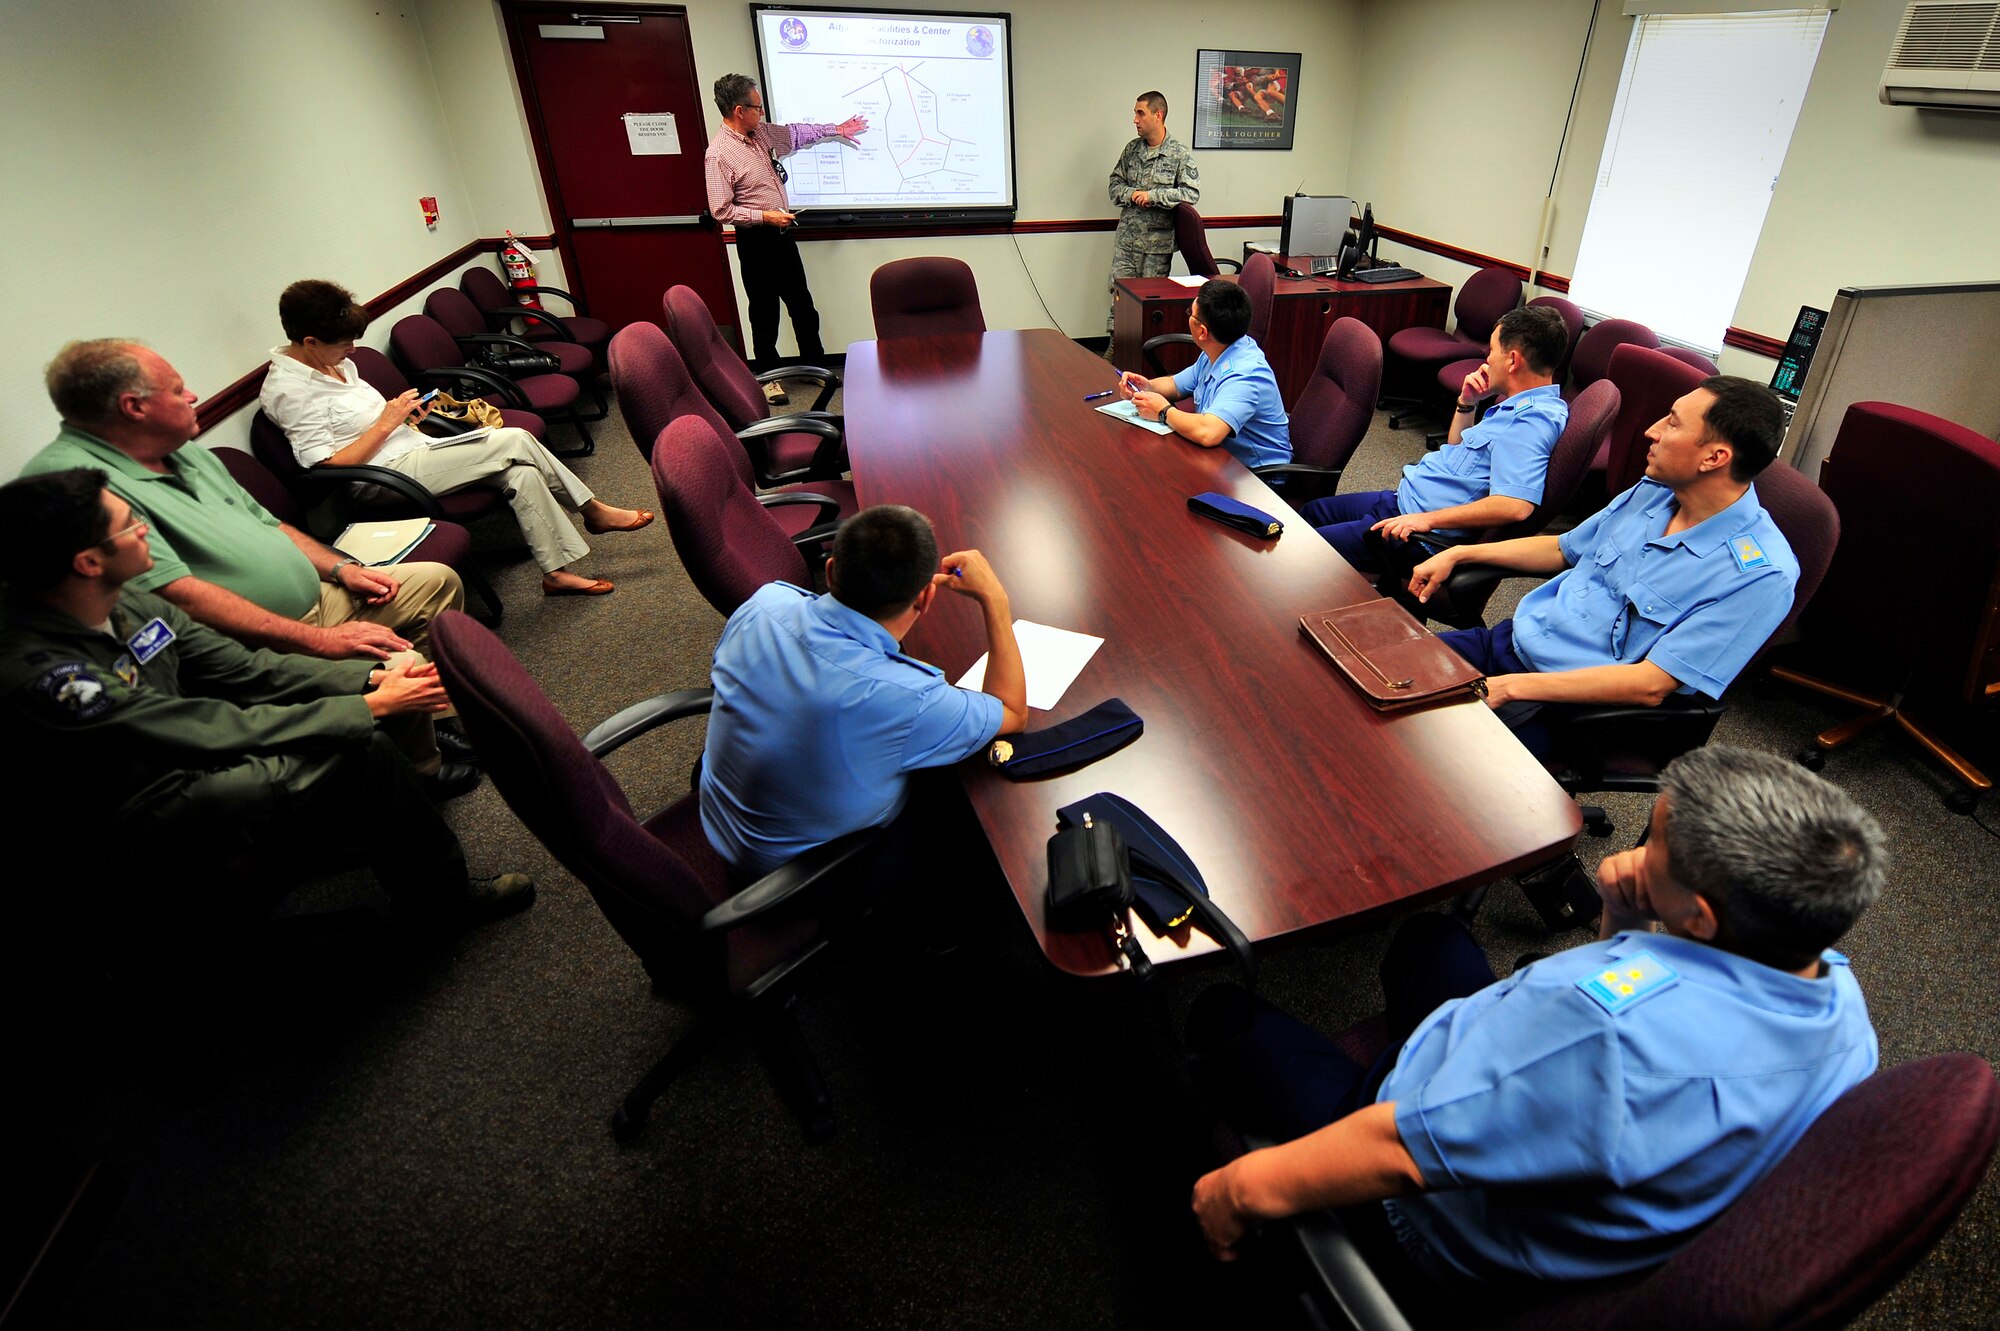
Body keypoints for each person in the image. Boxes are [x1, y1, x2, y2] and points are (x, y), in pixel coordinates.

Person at [1188, 744, 1886, 1290]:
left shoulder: (1601, 1034)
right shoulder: (1838, 1002)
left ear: (1701, 918)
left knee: (1222, 1011)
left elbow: (1402, 1150)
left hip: (1423, 1201)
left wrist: (1240, 1188)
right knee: (1431, 940)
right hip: (1547, 1120)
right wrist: (1630, 913)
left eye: (1655, 844)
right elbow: (1645, 999)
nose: (1637, 852)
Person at [0, 468, 534, 930]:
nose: (147, 531)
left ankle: (425, 889)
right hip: (124, 811)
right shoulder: (43, 672)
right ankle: (437, 902)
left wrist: (372, 678)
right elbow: (184, 726)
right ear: (89, 562)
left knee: (358, 738)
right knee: (356, 743)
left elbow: (248, 668)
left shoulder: (128, 602)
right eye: (131, 526)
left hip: (183, 753)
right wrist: (367, 708)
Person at [25, 337, 475, 792]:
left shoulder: (178, 446)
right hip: (255, 637)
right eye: (178, 390)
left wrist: (342, 569)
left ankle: (423, 725)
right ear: (133, 407)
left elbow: (267, 523)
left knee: (434, 583)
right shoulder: (83, 489)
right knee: (399, 660)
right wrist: (319, 640)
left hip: (319, 597)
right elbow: (175, 594)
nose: (193, 397)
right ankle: (420, 770)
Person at [1413, 376, 1797, 750]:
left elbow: (1651, 684)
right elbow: (1563, 550)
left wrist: (1511, 687)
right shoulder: (1654, 492)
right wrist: (1459, 553)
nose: (1652, 430)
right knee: (1377, 675)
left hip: (1564, 707)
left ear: (1714, 458)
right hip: (1509, 644)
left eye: (1673, 423)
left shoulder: (1762, 575)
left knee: (1418, 759)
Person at [260, 280, 654, 597]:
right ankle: (593, 511)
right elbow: (324, 465)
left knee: (522, 475)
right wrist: (386, 422)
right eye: (344, 343)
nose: (352, 350)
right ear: (309, 341)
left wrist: (401, 415)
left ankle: (556, 574)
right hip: (381, 480)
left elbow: (365, 420)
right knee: (514, 440)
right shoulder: (289, 390)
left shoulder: (337, 363)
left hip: (418, 451)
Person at [699, 505, 1028, 880]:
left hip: (720, 811)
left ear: (830, 570)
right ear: (925, 599)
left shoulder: (763, 603)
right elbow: (1012, 712)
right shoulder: (908, 696)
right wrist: (996, 602)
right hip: (795, 871)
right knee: (963, 800)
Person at [1300, 305, 1569, 570]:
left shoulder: (1531, 421)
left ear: (1512, 360)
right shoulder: (1515, 405)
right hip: (1402, 500)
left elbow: (1515, 505)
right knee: (1310, 513)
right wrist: (1467, 403)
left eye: (1492, 351)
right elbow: (1458, 451)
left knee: (1303, 549)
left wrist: (1427, 520)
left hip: (1416, 534)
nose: (1487, 360)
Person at [703, 73, 868, 404]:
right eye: (757, 107)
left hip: (782, 237)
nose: (762, 113)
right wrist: (765, 216)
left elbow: (795, 132)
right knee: (765, 314)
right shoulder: (718, 154)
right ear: (739, 110)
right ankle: (767, 378)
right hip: (756, 241)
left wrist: (836, 128)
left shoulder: (760, 133)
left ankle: (815, 367)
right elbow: (721, 211)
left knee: (803, 307)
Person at [1116, 280, 1290, 473]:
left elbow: (1208, 433)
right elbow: (1175, 384)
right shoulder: (1220, 349)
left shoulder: (1246, 376)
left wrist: (1162, 411)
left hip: (1259, 478)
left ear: (1202, 331)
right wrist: (1146, 387)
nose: (1188, 317)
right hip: (1223, 458)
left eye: (1191, 314)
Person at [1106, 91, 1200, 343]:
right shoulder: (1131, 150)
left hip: (1156, 247)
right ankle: (1115, 347)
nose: (1135, 120)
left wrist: (1153, 196)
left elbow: (1190, 193)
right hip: (1127, 241)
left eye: (1140, 113)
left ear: (1158, 115)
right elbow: (1114, 186)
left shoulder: (1178, 154)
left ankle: (1144, 355)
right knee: (1119, 298)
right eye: (1135, 114)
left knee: (1149, 308)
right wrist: (1133, 193)